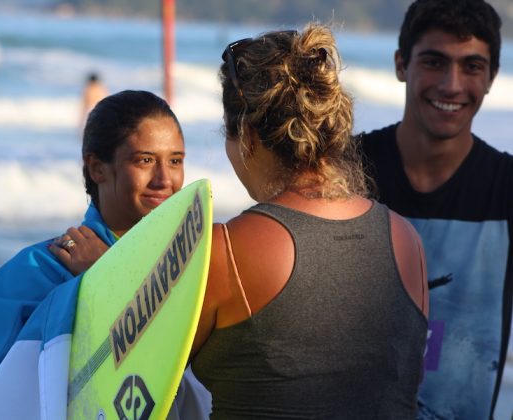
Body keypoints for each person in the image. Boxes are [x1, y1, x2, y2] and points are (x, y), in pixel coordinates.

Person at [59, 24, 429, 418]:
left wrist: (105, 272)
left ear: (248, 137)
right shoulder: (405, 239)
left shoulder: (227, 250)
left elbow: (144, 361)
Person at [0, 90, 210, 419]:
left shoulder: (195, 263)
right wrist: (100, 285)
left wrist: (109, 274)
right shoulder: (31, 275)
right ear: (97, 168)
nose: (164, 179)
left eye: (175, 160)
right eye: (144, 160)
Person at [358, 0, 512, 418]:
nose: (451, 84)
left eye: (472, 67)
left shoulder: (505, 187)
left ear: (492, 77)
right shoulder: (345, 172)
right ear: (400, 64)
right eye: (434, 61)